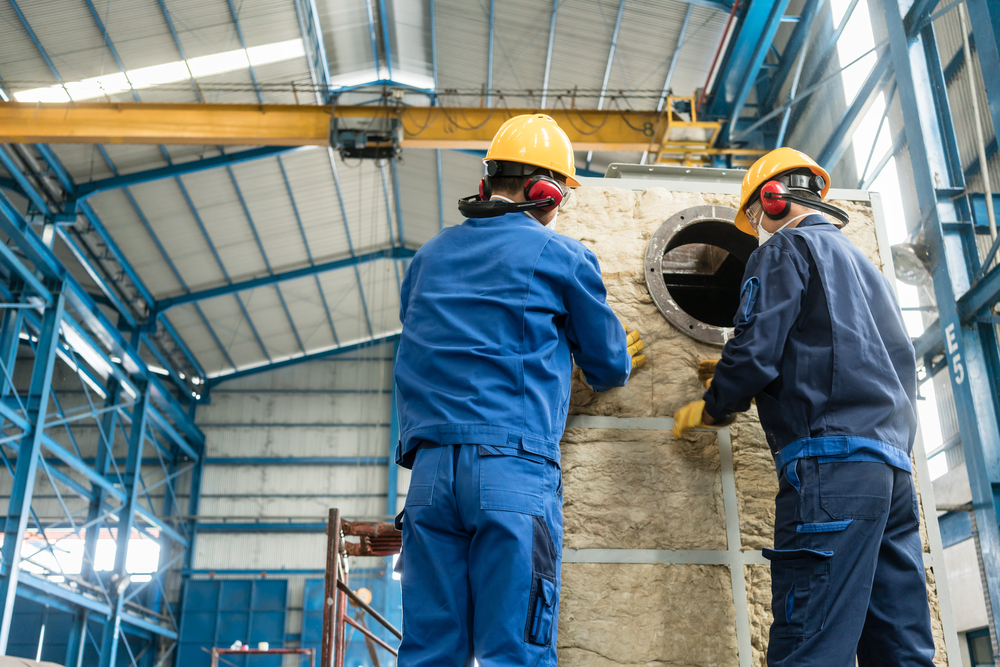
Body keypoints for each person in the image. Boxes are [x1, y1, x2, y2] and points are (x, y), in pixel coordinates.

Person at [393, 114, 645, 667]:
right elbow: (608, 368)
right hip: (512, 471)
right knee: (515, 655)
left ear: (486, 186)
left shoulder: (427, 258)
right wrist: (615, 351)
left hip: (429, 480)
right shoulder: (561, 256)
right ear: (547, 193)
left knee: (429, 654)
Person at [672, 147, 935, 666]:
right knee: (900, 648)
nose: (757, 232)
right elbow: (870, 358)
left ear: (770, 201)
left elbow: (755, 348)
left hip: (830, 471)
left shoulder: (784, 250)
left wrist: (715, 403)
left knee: (809, 639)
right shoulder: (866, 268)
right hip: (893, 476)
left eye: (754, 218)